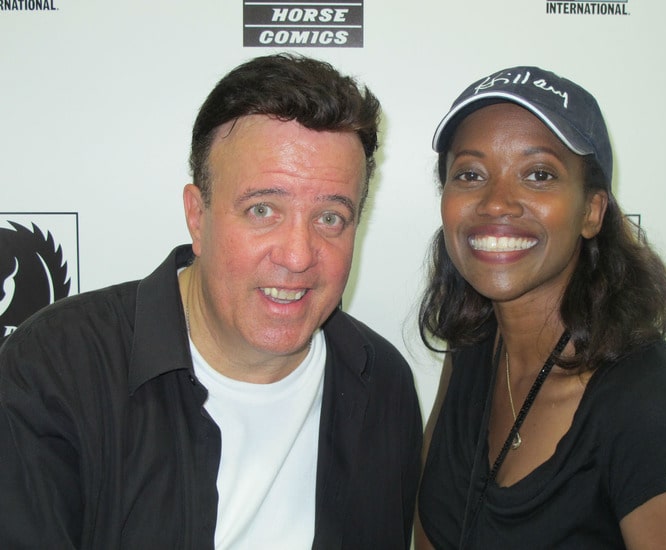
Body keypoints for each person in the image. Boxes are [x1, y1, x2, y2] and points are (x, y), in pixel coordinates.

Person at [0, 53, 422, 549]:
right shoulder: (54, 370)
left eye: (330, 218)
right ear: (197, 216)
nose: (297, 255)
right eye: (262, 210)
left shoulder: (383, 385)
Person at [414, 66, 666, 549]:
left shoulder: (656, 409)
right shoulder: (472, 347)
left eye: (538, 175)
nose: (496, 203)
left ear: (592, 212)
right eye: (470, 174)